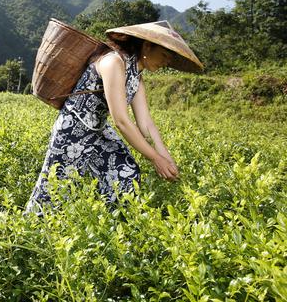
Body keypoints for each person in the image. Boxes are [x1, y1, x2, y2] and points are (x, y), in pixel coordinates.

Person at [26, 21, 203, 214]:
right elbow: (121, 121)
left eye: (169, 59)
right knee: (53, 191)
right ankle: (22, 234)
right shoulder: (113, 62)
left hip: (99, 130)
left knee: (126, 172)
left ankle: (109, 223)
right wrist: (154, 158)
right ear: (147, 46)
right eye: (164, 55)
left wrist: (165, 156)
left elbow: (146, 124)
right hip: (73, 131)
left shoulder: (137, 76)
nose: (166, 63)